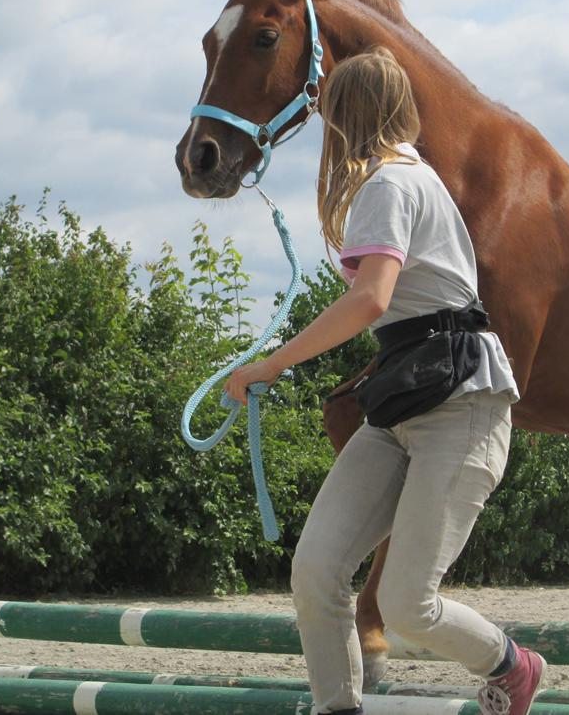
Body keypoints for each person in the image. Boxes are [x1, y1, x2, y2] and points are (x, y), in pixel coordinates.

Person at [224, 46, 545, 715]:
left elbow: (371, 299)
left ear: (341, 119)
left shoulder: (390, 184)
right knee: (317, 569)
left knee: (405, 604)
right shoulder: (406, 178)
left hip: (461, 408)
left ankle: (513, 666)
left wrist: (272, 363)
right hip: (404, 398)